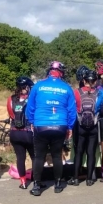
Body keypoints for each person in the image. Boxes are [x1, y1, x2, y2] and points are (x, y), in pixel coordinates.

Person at [25, 61, 76, 196]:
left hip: (41, 124)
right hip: (60, 125)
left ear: (49, 72)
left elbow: (30, 106)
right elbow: (72, 110)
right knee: (57, 156)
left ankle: (36, 186)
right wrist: (70, 127)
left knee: (39, 156)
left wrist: (32, 120)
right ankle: (58, 184)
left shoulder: (38, 86)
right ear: (61, 73)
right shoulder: (66, 88)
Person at [68, 68, 103, 186]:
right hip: (94, 127)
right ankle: (89, 179)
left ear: (84, 80)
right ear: (95, 81)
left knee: (79, 152)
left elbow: (70, 109)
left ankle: (75, 178)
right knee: (91, 152)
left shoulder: (76, 92)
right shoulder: (100, 93)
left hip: (80, 127)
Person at [7, 76, 35, 189]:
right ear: (28, 87)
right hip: (29, 132)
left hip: (14, 132)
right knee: (35, 157)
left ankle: (23, 182)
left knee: (20, 158)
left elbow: (11, 115)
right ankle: (37, 180)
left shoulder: (11, 98)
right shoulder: (33, 98)